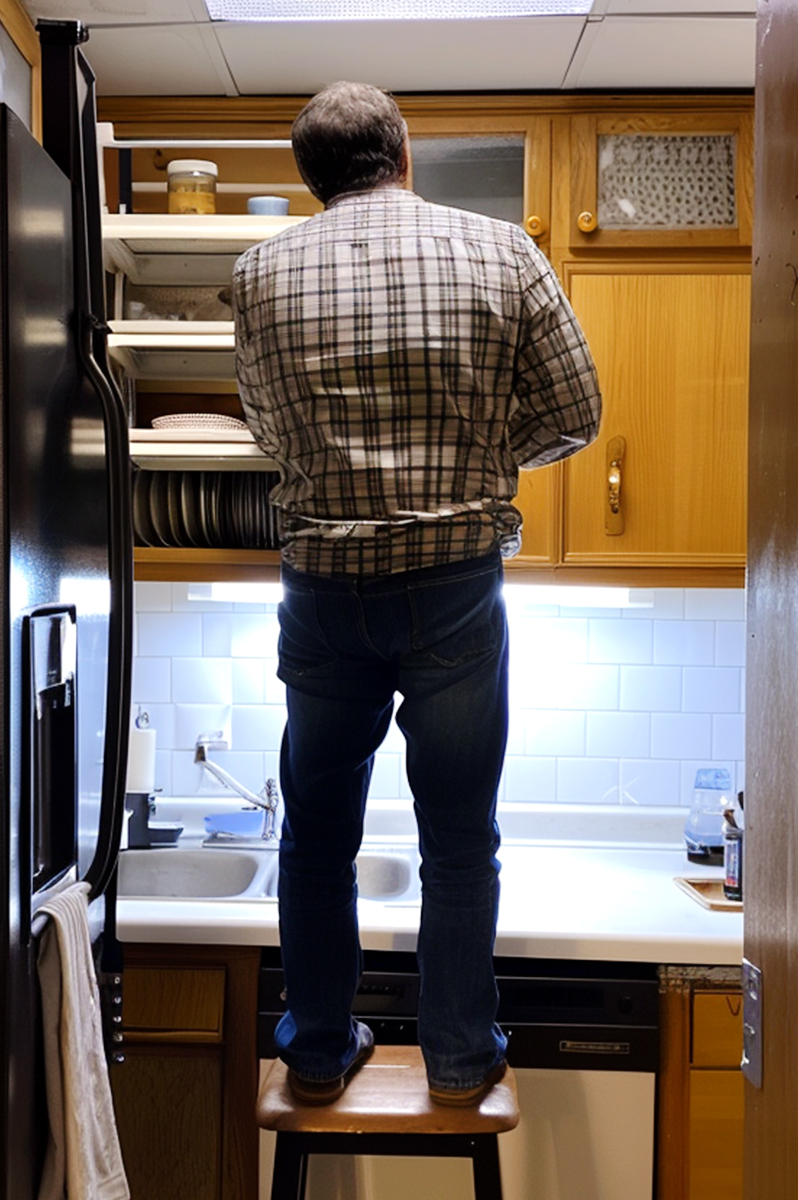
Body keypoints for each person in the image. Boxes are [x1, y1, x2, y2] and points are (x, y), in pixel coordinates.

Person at [229, 81, 603, 1107]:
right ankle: (458, 1058)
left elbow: (268, 429)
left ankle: (314, 1053)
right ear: (404, 154)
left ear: (312, 181)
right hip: (453, 591)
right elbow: (578, 409)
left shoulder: (258, 273)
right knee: (458, 838)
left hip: (322, 590)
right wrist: (480, 458)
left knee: (315, 836)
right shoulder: (502, 252)